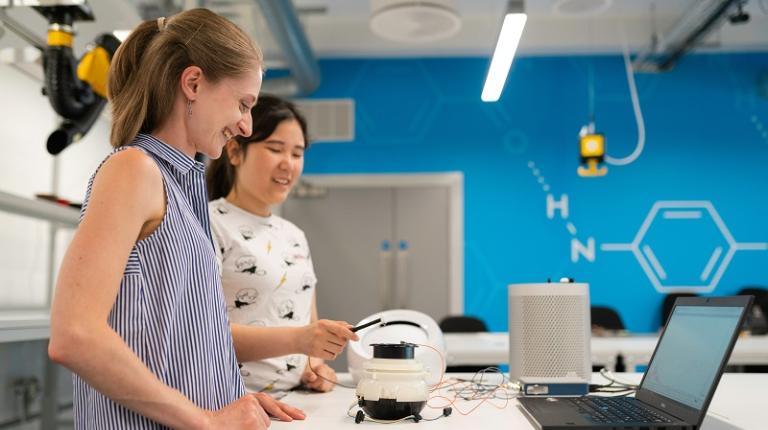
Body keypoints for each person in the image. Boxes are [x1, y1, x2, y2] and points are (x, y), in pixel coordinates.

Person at [48, 9, 302, 429]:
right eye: (243, 103)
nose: (245, 124)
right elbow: (75, 336)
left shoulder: (185, 187)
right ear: (194, 83)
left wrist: (227, 394)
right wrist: (208, 421)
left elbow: (176, 340)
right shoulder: (134, 170)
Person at [206, 94, 358, 395]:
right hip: (234, 402)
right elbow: (202, 335)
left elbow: (308, 322)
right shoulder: (208, 223)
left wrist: (315, 366)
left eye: (297, 153)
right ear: (235, 152)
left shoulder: (294, 235)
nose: (288, 164)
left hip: (297, 401)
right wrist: (300, 340)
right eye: (275, 149)